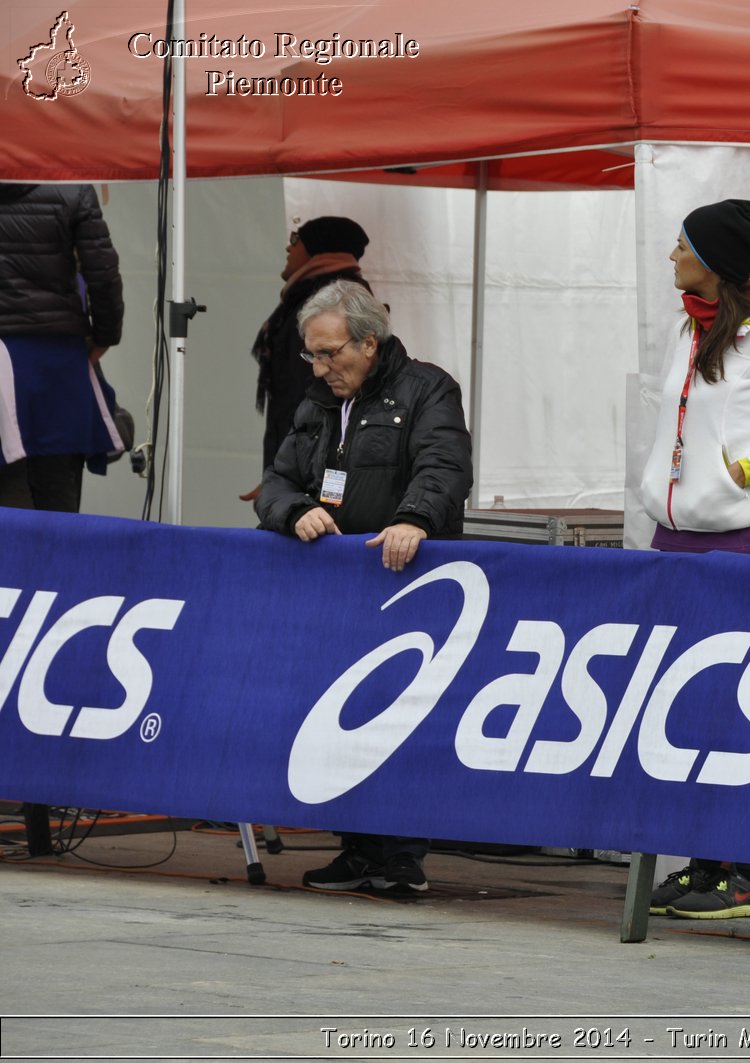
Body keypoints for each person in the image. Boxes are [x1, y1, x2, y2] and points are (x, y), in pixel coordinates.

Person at [255, 278, 472, 894]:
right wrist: (294, 511)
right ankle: (357, 848)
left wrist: (414, 518)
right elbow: (276, 481)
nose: (321, 368)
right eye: (312, 355)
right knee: (342, 716)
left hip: (412, 586)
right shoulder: (319, 402)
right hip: (340, 592)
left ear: (369, 343)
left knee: (400, 721)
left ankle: (402, 855)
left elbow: (445, 465)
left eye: (330, 353)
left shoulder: (428, 388)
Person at [640, 199, 750, 920]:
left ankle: (741, 870)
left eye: (682, 245)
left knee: (730, 704)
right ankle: (704, 861)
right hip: (676, 540)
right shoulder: (689, 325)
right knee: (679, 706)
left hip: (743, 541)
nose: (671, 255)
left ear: (713, 260)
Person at [0, 183, 125, 511]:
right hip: (56, 364)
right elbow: (104, 273)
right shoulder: (71, 186)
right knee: (57, 508)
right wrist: (105, 336)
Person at [242, 215, 371, 501]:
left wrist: (283, 480)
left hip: (319, 468)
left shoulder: (334, 301)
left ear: (319, 247)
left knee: (317, 534)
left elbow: (309, 395)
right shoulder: (308, 295)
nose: (288, 249)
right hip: (303, 462)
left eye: (295, 240)